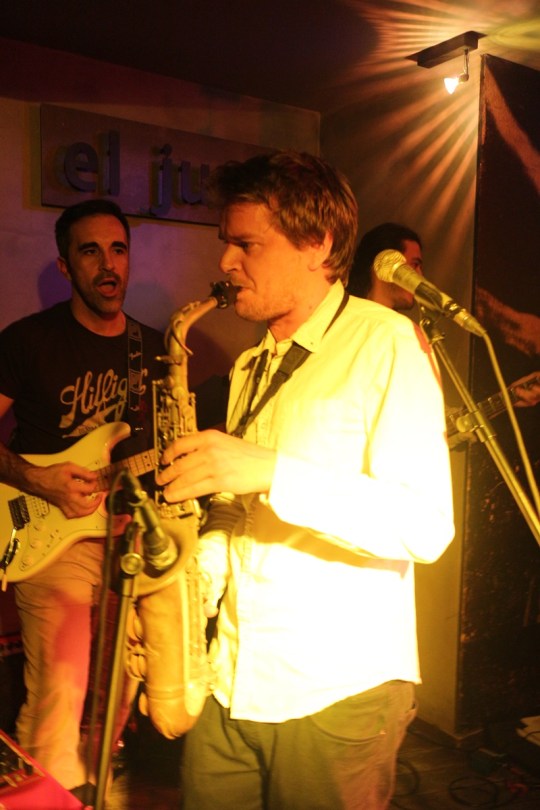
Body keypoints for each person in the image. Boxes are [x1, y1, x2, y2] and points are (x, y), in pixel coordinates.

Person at [155, 151, 455, 809]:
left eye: (246, 244)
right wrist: (194, 581)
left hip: (336, 690)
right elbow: (238, 508)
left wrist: (270, 471)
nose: (226, 261)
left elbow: (425, 526)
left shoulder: (386, 342)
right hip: (231, 678)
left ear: (316, 244)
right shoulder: (250, 365)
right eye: (226, 243)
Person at [0, 199, 165, 803]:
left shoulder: (151, 348)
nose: (107, 264)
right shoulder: (28, 341)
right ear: (66, 265)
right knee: (60, 690)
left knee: (121, 691)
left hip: (124, 538)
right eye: (90, 251)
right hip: (50, 536)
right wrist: (36, 479)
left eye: (118, 249)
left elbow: (153, 452)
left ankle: (81, 788)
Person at [348, 222, 540, 436]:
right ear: (386, 264)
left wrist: (509, 397)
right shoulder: (352, 324)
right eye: (414, 265)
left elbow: (432, 426)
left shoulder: (403, 332)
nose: (420, 275)